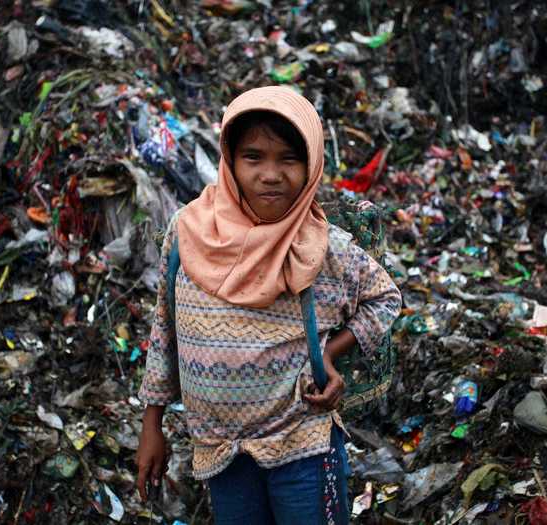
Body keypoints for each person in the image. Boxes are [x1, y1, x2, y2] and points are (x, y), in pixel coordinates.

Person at [136, 86, 401, 524]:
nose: (271, 174)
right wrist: (153, 424)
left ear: (311, 165)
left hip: (303, 442)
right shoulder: (188, 233)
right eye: (253, 157)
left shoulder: (323, 247)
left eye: (289, 159)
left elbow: (384, 298)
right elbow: (165, 330)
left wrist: (329, 356)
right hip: (219, 448)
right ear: (230, 161)